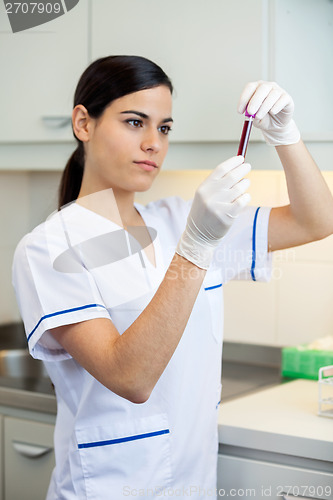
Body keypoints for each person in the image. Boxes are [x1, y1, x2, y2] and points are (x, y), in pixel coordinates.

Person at [12, 55, 333, 499]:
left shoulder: (179, 218)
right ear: (83, 124)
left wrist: (285, 135)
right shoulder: (47, 249)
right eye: (134, 122)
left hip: (193, 482)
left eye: (164, 128)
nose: (153, 143)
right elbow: (131, 377)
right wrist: (197, 246)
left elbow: (314, 221)